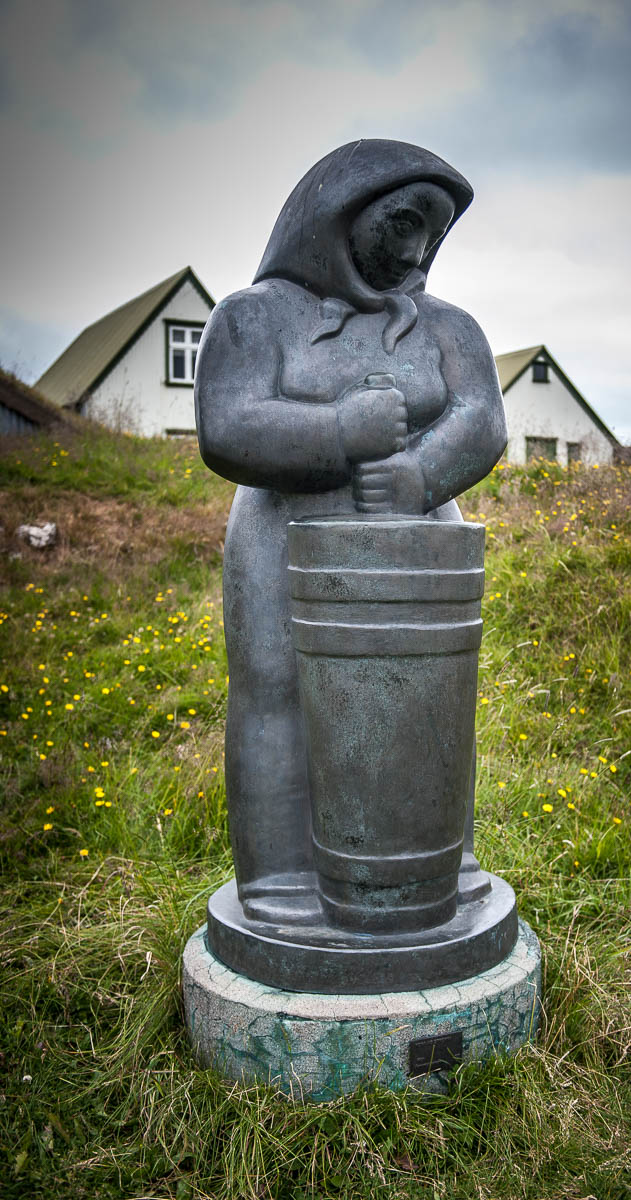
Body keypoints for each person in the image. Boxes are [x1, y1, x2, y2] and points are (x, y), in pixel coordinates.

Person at [195, 139, 507, 923]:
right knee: (275, 692)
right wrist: (338, 432)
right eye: (402, 222)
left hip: (417, 537)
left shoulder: (450, 328)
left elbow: (481, 418)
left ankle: (443, 854)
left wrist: (418, 476)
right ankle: (277, 875)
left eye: (432, 234)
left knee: (434, 696)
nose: (414, 250)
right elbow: (226, 425)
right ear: (338, 214)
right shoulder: (253, 317)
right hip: (281, 535)